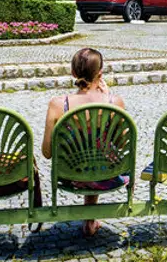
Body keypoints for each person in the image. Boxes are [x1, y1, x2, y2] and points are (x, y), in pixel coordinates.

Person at [41, 48, 127, 237]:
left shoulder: (58, 104)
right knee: (96, 152)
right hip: (106, 174)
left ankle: (89, 220)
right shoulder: (115, 102)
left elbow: (47, 152)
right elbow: (122, 145)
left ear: (73, 73)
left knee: (86, 155)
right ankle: (90, 220)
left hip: (71, 175)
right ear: (100, 73)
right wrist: (107, 99)